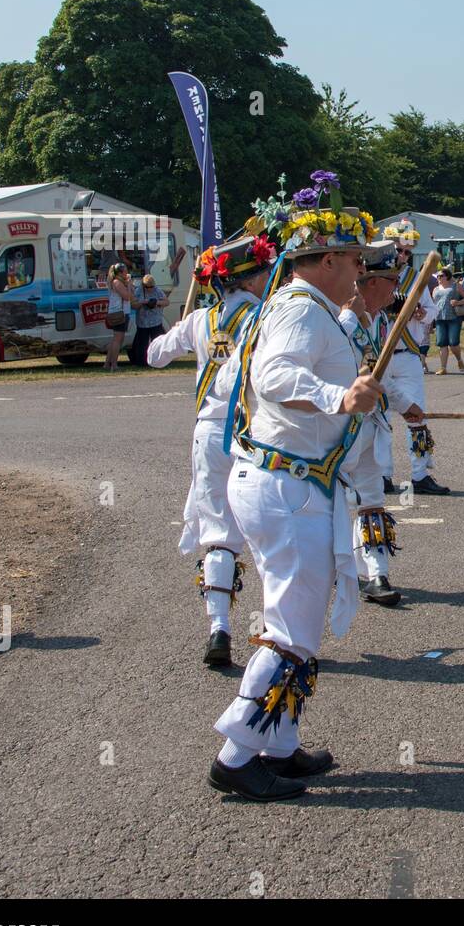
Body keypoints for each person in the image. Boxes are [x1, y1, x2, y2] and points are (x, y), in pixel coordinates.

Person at [210, 192, 383, 802]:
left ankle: (277, 745)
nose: (362, 272)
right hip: (285, 486)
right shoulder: (301, 309)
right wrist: (341, 399)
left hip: (289, 481)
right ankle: (235, 756)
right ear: (329, 258)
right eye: (356, 260)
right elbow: (274, 379)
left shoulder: (301, 306)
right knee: (291, 625)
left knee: (299, 616)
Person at [147, 233, 278, 665]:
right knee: (266, 526)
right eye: (262, 273)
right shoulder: (263, 315)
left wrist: (186, 330)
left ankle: (218, 628)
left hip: (207, 434)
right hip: (250, 429)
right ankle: (278, 629)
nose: (265, 279)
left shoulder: (199, 320)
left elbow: (153, 356)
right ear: (250, 278)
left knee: (219, 529)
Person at [341, 240, 405, 608]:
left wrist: (405, 404)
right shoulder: (339, 315)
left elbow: (380, 374)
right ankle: (338, 570)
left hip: (371, 424)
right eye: (392, 280)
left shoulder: (380, 320)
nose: (396, 288)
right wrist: (350, 317)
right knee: (333, 501)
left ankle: (376, 573)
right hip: (339, 428)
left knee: (372, 499)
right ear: (373, 282)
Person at [385, 219, 449, 495]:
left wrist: (423, 315)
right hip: (381, 357)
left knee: (417, 416)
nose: (402, 257)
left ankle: (420, 474)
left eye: (407, 253)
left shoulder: (416, 279)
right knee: (380, 420)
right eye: (398, 251)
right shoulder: (374, 275)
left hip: (409, 353)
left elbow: (432, 310)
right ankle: (382, 475)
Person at [431, 268, 464, 375]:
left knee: (453, 343)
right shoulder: (435, 289)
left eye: (441, 276)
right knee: (442, 344)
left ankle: (459, 360)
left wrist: (457, 302)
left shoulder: (456, 286)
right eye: (437, 276)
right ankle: (443, 368)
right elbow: (433, 304)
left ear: (447, 276)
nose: (439, 278)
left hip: (454, 318)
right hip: (439, 319)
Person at [129, 273, 170, 367]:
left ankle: (160, 361)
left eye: (151, 286)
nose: (150, 289)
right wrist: (143, 302)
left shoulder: (157, 290)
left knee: (158, 342)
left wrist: (156, 302)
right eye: (147, 287)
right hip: (142, 322)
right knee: (142, 344)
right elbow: (133, 305)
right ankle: (141, 362)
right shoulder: (138, 291)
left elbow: (167, 302)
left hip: (156, 321)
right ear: (143, 285)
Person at [103, 262, 137, 372]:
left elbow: (131, 295)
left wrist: (129, 285)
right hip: (118, 313)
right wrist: (128, 285)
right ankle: (114, 364)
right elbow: (127, 297)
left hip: (122, 312)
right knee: (118, 340)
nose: (127, 273)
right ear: (121, 272)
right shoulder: (117, 282)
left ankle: (107, 364)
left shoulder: (121, 282)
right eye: (126, 271)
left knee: (115, 339)